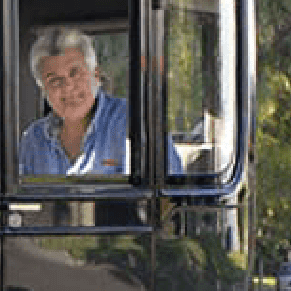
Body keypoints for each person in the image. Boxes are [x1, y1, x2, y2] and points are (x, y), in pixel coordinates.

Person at [19, 25, 180, 177]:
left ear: (95, 75)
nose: (68, 87)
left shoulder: (135, 123)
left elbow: (168, 198)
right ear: (43, 90)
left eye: (75, 73)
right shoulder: (33, 140)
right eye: (54, 80)